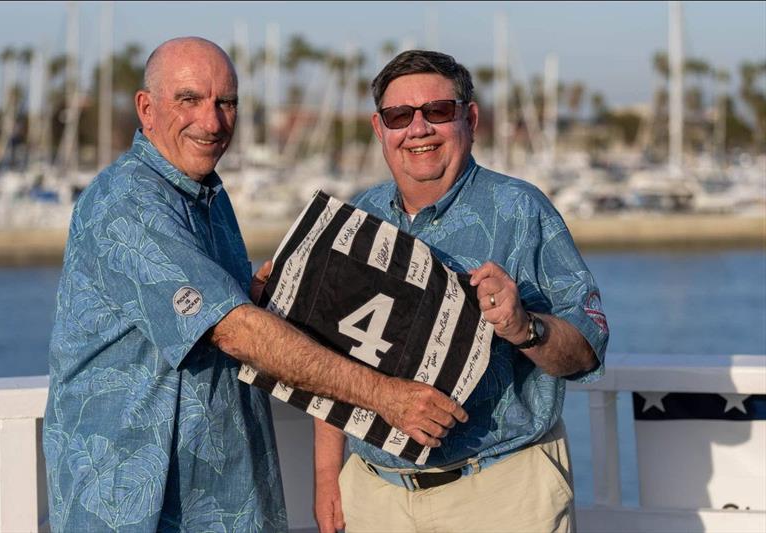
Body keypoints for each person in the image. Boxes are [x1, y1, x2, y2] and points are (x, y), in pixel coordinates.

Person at [42, 38, 467, 533]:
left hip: (224, 499)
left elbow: (224, 314)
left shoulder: (206, 195)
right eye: (189, 100)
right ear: (147, 108)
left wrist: (262, 292)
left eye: (225, 102)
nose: (212, 121)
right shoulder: (127, 202)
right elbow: (234, 332)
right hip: (136, 508)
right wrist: (388, 397)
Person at [313, 50, 609, 533]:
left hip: (501, 494)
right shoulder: (356, 218)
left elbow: (586, 351)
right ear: (379, 128)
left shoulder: (522, 210)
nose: (418, 128)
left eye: (438, 111)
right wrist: (328, 477)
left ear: (470, 119)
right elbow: (330, 355)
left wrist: (524, 327)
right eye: (399, 116)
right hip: (374, 495)